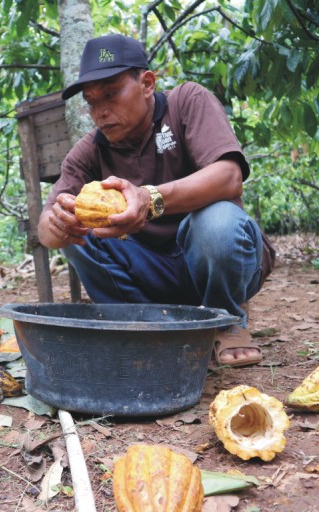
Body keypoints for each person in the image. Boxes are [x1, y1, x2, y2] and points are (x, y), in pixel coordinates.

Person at [37, 33, 275, 367]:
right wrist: (59, 224)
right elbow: (45, 230)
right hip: (150, 271)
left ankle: (225, 319)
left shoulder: (186, 102)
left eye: (110, 94)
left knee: (218, 221)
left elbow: (229, 176)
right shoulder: (89, 151)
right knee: (78, 234)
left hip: (213, 259)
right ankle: (143, 324)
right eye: (91, 102)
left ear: (147, 83)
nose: (100, 112)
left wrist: (150, 199)